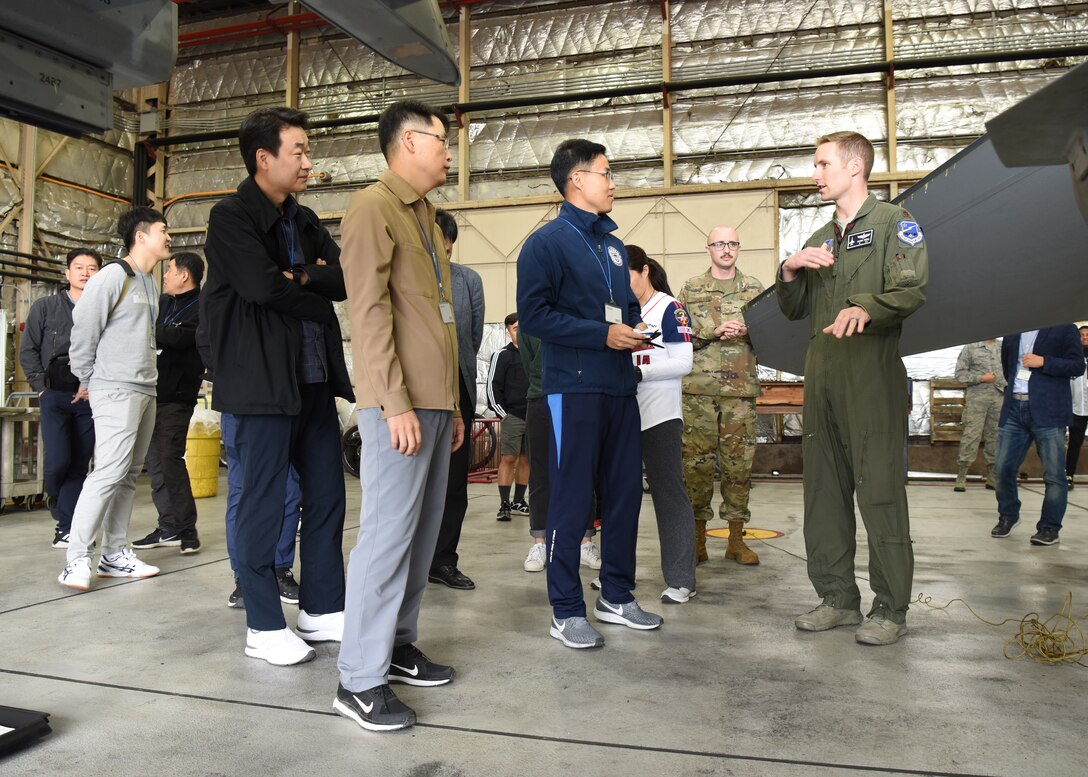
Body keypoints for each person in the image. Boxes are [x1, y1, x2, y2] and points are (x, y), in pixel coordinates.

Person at [203, 106, 354, 666]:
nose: (309, 163)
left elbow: (346, 277)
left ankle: (321, 609)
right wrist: (302, 284)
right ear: (263, 158)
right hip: (261, 385)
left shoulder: (306, 218)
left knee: (327, 498)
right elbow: (262, 289)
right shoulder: (230, 218)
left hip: (313, 382)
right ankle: (263, 623)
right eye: (299, 152)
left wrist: (306, 275)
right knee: (262, 507)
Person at [336, 100, 464, 732]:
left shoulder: (424, 215)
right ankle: (357, 678)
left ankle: (397, 645)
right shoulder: (370, 208)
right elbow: (369, 315)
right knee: (387, 537)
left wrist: (455, 404)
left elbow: (437, 318)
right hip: (401, 406)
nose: (449, 151)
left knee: (421, 536)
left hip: (435, 403)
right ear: (409, 142)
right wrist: (392, 402)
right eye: (442, 141)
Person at [777, 131, 928, 646]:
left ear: (855, 167)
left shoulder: (894, 224)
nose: (815, 174)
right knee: (824, 490)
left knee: (879, 490)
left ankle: (891, 607)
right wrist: (789, 268)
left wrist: (868, 308)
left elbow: (910, 289)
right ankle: (838, 598)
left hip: (870, 375)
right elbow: (795, 309)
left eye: (822, 164)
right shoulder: (822, 237)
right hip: (821, 375)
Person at [517, 138, 663, 651]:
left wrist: (634, 327)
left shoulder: (615, 247)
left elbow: (619, 308)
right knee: (571, 500)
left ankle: (617, 596)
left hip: (620, 385)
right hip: (573, 389)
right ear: (577, 179)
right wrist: (600, 334)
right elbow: (534, 316)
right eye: (606, 173)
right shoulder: (546, 243)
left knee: (623, 494)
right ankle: (565, 609)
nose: (613, 182)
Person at [58, 208, 172, 590]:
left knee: (127, 476)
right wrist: (89, 379)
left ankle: (114, 555)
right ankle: (75, 559)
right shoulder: (112, 275)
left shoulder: (149, 281)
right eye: (163, 230)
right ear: (141, 237)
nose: (169, 237)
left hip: (145, 389)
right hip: (115, 389)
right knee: (107, 473)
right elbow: (83, 331)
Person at [677, 226, 765, 566]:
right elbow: (680, 334)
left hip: (740, 390)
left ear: (739, 248)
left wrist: (749, 329)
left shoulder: (755, 289)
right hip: (698, 390)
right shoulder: (691, 288)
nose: (726, 249)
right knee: (696, 465)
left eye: (731, 243)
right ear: (708, 248)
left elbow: (770, 334)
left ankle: (735, 540)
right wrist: (710, 330)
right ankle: (697, 540)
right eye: (719, 244)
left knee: (738, 465)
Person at [626, 246, 697, 604]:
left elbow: (683, 362)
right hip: (624, 415)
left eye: (627, 275)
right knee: (619, 496)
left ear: (645, 271)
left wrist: (640, 371)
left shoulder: (670, 307)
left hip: (660, 416)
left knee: (668, 494)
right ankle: (618, 574)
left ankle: (682, 578)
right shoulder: (619, 311)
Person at [19, 248, 101, 548]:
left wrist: (91, 384)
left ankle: (66, 527)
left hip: (89, 398)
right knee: (57, 462)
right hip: (54, 395)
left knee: (79, 463)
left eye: (92, 268)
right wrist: (41, 387)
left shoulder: (103, 310)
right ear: (67, 273)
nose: (84, 273)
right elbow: (28, 351)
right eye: (78, 267)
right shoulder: (46, 307)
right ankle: (57, 499)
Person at [132, 252, 205, 554]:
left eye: (170, 271)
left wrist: (154, 333)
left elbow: (179, 338)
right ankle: (168, 527)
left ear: (184, 275)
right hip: (152, 393)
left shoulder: (202, 307)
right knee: (155, 463)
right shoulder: (163, 304)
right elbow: (162, 335)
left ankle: (188, 530)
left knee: (170, 458)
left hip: (177, 396)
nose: (165, 276)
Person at [428, 207, 485, 591]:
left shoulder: (468, 281)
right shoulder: (409, 276)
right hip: (417, 390)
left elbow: (473, 336)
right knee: (415, 481)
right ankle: (412, 559)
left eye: (443, 243)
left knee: (454, 485)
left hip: (458, 389)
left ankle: (443, 560)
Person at [990, 326, 1084, 545]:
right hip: (1014, 408)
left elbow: (1077, 365)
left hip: (1049, 410)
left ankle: (1049, 527)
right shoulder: (1012, 330)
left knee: (1053, 474)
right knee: (1002, 468)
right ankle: (1008, 515)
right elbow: (1008, 368)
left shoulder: (1065, 328)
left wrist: (1044, 362)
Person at [519, 331, 603, 573]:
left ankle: (585, 541)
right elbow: (529, 361)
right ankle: (541, 543)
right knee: (540, 474)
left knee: (582, 471)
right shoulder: (530, 318)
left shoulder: (577, 310)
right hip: (540, 397)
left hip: (579, 396)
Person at [221, 415, 302, 608]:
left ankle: (280, 569)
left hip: (275, 404)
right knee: (242, 492)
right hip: (240, 407)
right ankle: (244, 576)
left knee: (288, 488)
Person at [486, 312, 530, 521]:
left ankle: (519, 501)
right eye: (515, 329)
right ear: (508, 331)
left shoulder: (534, 355)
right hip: (512, 416)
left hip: (533, 416)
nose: (520, 333)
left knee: (526, 460)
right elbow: (493, 387)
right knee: (508, 459)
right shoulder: (501, 355)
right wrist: (503, 414)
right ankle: (504, 503)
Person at [952, 339, 1005, 491]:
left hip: (999, 397)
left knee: (995, 437)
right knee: (971, 435)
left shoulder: (1004, 347)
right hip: (977, 398)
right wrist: (981, 378)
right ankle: (962, 475)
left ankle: (992, 476)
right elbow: (960, 374)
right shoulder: (971, 346)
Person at [1065, 325, 1088, 489]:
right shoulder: (1071, 358)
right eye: (1082, 335)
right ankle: (1069, 476)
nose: (1085, 338)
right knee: (1074, 443)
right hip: (1076, 408)